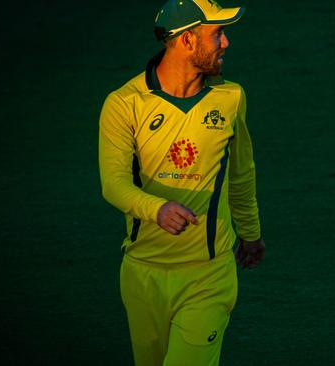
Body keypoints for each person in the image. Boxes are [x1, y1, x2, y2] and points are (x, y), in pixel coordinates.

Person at [98, 0, 265, 364]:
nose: (226, 44)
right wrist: (157, 209)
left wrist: (250, 233)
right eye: (217, 34)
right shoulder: (125, 104)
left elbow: (240, 173)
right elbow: (113, 183)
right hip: (142, 276)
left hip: (209, 274)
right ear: (187, 40)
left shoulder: (230, 98)